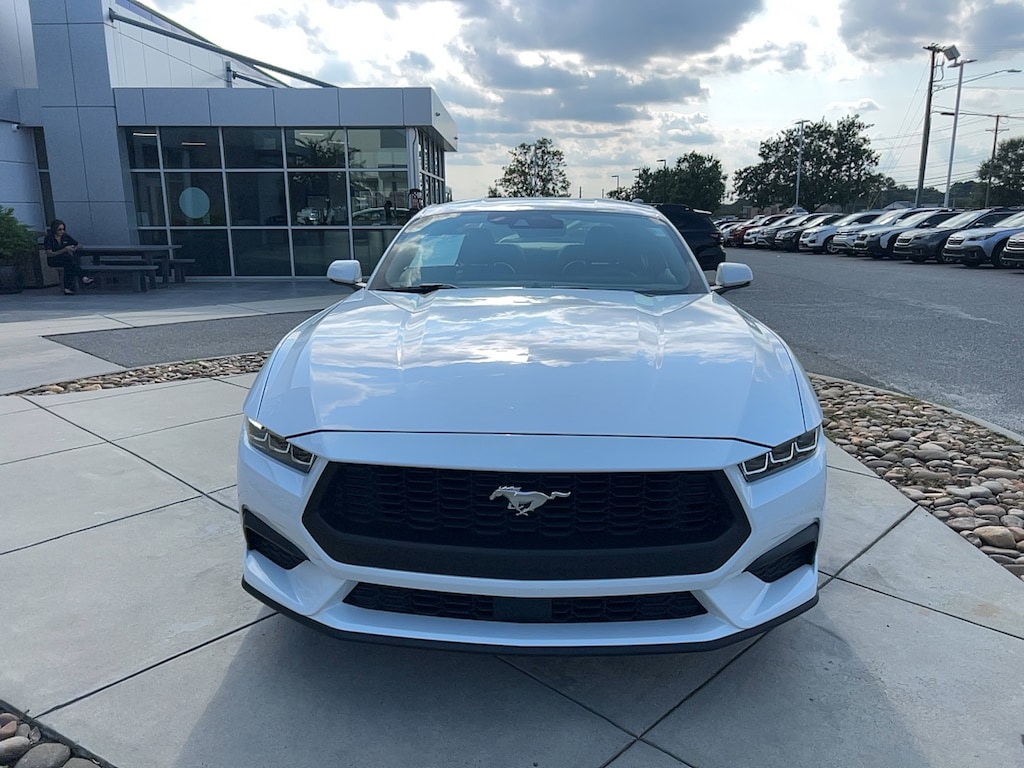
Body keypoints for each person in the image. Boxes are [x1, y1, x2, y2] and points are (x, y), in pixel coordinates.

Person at [44, 219, 92, 294]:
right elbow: (49, 253)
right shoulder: (49, 238)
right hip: (54, 259)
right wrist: (64, 249)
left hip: (65, 259)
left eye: (63, 229)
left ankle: (67, 288)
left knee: (69, 263)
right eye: (59, 229)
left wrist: (74, 248)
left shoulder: (65, 236)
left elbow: (78, 244)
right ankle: (83, 277)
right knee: (69, 260)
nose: (62, 231)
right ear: (54, 229)